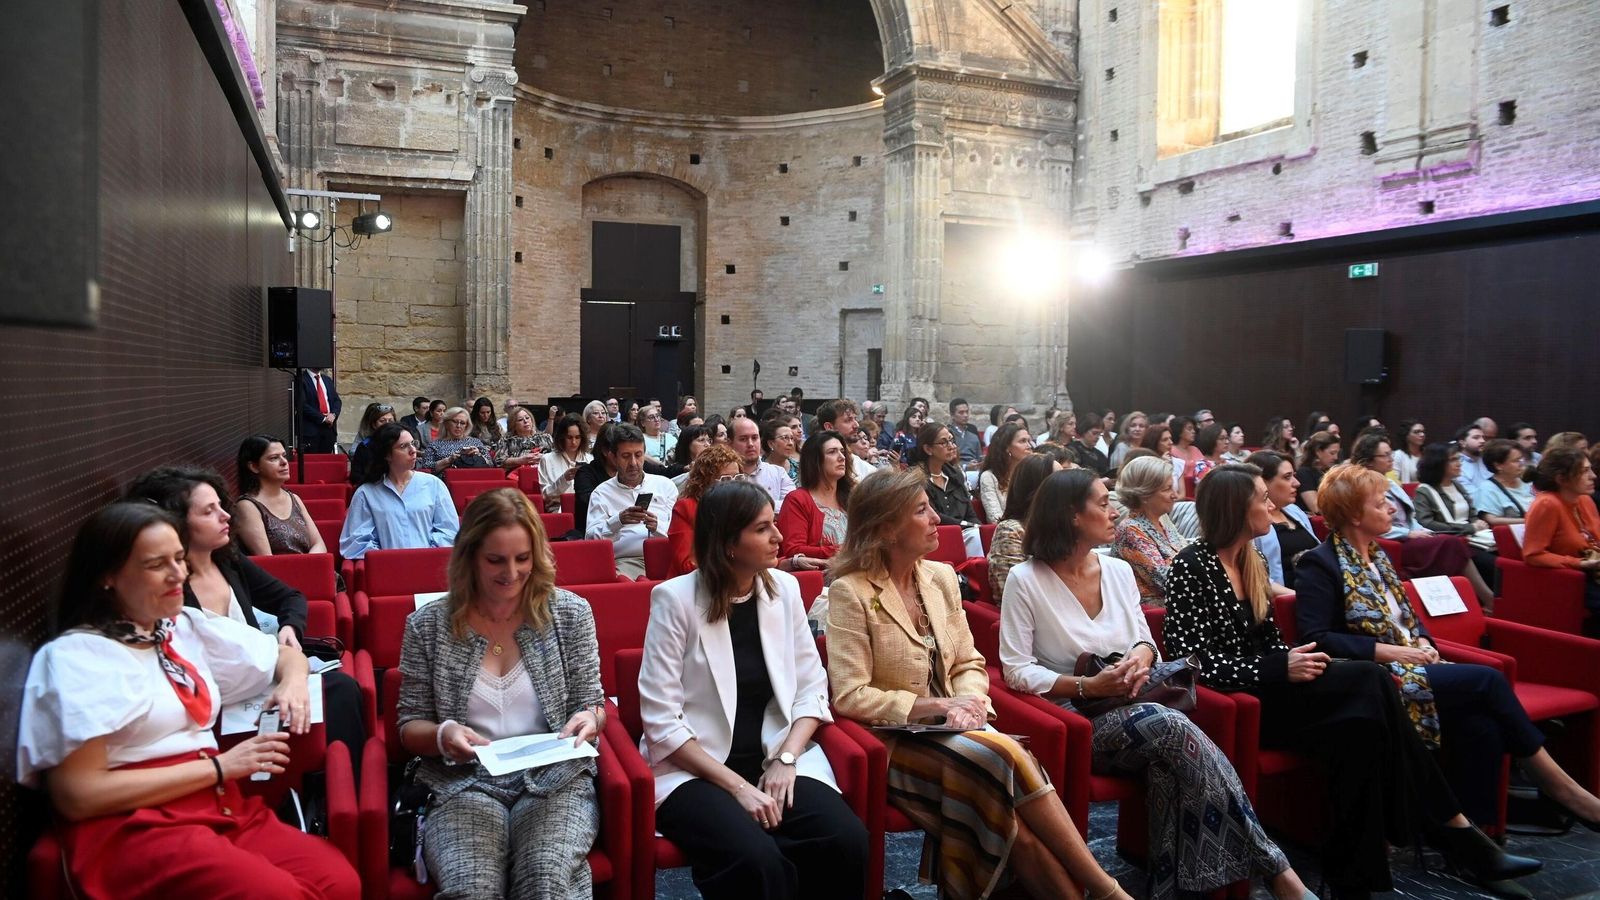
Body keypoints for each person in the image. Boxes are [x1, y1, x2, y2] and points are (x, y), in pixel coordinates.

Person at [1162, 464, 1542, 898]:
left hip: (1275, 691)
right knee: (1369, 679)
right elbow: (1189, 664)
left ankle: (1357, 881)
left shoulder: (1254, 559)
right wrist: (1278, 667)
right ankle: (1452, 828)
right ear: (1236, 508)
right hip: (1239, 705)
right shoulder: (1191, 566)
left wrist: (1291, 659)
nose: (1272, 505)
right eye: (1262, 498)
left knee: (1362, 731)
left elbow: (1268, 643)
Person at [16, 503, 359, 899]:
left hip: (218, 807)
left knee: (340, 882)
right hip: (133, 827)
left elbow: (287, 655)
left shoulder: (182, 626)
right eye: (156, 564)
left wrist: (293, 683)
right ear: (108, 576)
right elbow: (78, 795)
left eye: (179, 558)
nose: (179, 574)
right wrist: (220, 767)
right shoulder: (76, 657)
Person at [999, 469, 1312, 900]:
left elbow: (1145, 639)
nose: (1115, 512)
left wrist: (1143, 655)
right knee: (1172, 727)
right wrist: (1089, 687)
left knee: (1169, 767)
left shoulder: (1116, 570)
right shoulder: (1026, 579)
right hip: (1076, 715)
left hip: (1134, 699)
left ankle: (1167, 889)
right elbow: (1016, 670)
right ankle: (1277, 870)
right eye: (1104, 503)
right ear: (1072, 515)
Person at [826, 470, 1132, 900]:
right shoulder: (850, 591)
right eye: (921, 510)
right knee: (1009, 752)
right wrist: (937, 706)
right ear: (885, 528)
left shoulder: (940, 577)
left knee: (1012, 821)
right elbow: (851, 694)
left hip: (960, 730)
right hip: (895, 742)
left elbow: (970, 661)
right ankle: (1106, 889)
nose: (937, 517)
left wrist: (969, 701)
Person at [1300, 465, 1600, 830]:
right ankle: (1563, 789)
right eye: (1381, 504)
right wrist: (1396, 652)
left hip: (1414, 662)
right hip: (1376, 677)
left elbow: (1407, 618)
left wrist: (1423, 639)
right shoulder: (1320, 562)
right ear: (1353, 515)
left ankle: (1477, 837)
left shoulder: (1377, 556)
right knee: (1488, 682)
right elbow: (1317, 637)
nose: (1392, 509)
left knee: (1481, 725)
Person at [640, 481, 869, 899]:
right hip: (695, 770)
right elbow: (660, 722)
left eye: (774, 524)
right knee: (756, 861)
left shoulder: (784, 589)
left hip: (772, 754)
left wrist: (786, 758)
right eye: (763, 529)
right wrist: (738, 787)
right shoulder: (673, 599)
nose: (779, 537)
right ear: (729, 543)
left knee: (845, 839)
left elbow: (812, 685)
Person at [396, 489, 606, 897]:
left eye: (523, 558)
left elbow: (591, 700)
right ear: (470, 556)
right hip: (462, 782)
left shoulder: (570, 613)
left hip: (555, 779)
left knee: (546, 878)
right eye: (496, 560)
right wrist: (443, 736)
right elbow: (409, 726)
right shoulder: (428, 625)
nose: (511, 572)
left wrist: (590, 718)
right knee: (471, 888)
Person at [125, 467, 366, 756]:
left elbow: (290, 597)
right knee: (335, 694)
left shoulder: (228, 561)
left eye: (220, 506)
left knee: (342, 689)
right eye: (208, 511)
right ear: (174, 523)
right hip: (212, 699)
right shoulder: (166, 594)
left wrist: (289, 628)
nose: (226, 516)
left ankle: (337, 788)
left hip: (257, 677)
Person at [1348, 433, 1493, 605]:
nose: (1391, 458)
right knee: (1452, 544)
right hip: (1392, 543)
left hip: (1412, 538)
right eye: (1385, 455)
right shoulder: (1363, 487)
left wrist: (1422, 530)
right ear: (1369, 460)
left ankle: (1468, 603)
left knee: (1451, 544)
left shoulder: (1392, 484)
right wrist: (1408, 533)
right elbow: (1369, 524)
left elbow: (1412, 517)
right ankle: (1486, 600)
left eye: (1391, 453)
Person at [341, 424, 459, 559]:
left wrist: (426, 556)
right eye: (403, 446)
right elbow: (355, 541)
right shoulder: (366, 493)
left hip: (430, 564)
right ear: (387, 455)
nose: (413, 450)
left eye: (413, 443)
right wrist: (390, 559)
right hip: (388, 569)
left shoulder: (434, 484)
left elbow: (449, 531)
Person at [585, 424, 677, 577]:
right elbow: (591, 541)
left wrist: (658, 527)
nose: (634, 463)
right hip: (626, 561)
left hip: (666, 556)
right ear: (613, 457)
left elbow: (680, 533)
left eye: (638, 455)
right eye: (626, 456)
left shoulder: (665, 486)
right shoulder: (601, 493)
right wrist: (618, 521)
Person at [1522, 448, 1600, 622]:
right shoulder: (1547, 504)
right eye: (1585, 471)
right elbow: (1533, 555)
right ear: (1561, 479)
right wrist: (1580, 563)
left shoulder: (1585, 499)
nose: (1593, 476)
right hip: (1572, 578)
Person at [1111, 456, 1191, 606]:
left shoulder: (1163, 520)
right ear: (1144, 494)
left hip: (1180, 607)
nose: (1175, 495)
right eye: (1167, 489)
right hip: (1154, 616)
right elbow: (1166, 579)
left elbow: (1187, 560)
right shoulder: (1130, 529)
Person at [234, 435, 329, 556]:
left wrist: (309, 565)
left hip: (311, 568)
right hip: (279, 573)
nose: (284, 462)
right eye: (274, 458)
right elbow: (268, 561)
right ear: (254, 466)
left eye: (284, 456)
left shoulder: (294, 498)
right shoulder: (247, 506)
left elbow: (319, 544)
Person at [775, 430, 854, 571]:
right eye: (832, 452)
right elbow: (794, 550)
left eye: (842, 451)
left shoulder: (852, 497)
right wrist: (841, 550)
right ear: (815, 460)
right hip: (821, 578)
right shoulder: (798, 500)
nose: (842, 457)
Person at [987, 455, 1059, 603]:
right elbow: (1011, 594)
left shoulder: (1062, 525)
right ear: (1039, 488)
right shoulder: (1010, 531)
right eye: (1059, 479)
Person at [1413, 443, 1498, 563]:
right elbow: (1427, 523)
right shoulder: (1424, 491)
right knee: (1493, 564)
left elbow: (1471, 514)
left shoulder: (1457, 485)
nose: (1459, 463)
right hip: (1452, 543)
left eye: (1459, 458)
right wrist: (1469, 527)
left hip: (1473, 538)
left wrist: (1477, 521)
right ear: (1438, 463)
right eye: (1453, 460)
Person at [666, 444, 742, 577]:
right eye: (725, 479)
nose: (733, 485)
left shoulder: (744, 507)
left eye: (737, 478)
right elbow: (687, 565)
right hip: (695, 584)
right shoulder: (686, 508)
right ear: (704, 482)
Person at [1247, 450, 1316, 590]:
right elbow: (1256, 579)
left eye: (1294, 476)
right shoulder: (1251, 522)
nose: (1296, 483)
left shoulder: (1295, 511)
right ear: (1262, 483)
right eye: (1287, 477)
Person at [913, 422, 984, 557]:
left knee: (984, 535)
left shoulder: (955, 475)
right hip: (937, 536)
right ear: (928, 449)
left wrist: (977, 526)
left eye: (951, 440)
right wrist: (969, 526)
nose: (952, 446)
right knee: (976, 535)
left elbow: (970, 512)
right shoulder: (918, 478)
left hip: (965, 532)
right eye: (944, 442)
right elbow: (935, 516)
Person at [731, 416, 795, 511]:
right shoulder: (725, 475)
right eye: (743, 439)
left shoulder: (778, 473)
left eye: (754, 438)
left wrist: (751, 505)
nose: (751, 444)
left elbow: (793, 505)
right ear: (729, 443)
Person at [978, 422, 1032, 523]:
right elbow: (995, 518)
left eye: (1029, 441)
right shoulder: (989, 477)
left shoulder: (1030, 474)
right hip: (1007, 532)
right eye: (1022, 441)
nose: (1029, 446)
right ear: (1007, 447)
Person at [1473, 439, 1534, 525]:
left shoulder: (1528, 481)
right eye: (1516, 461)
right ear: (1498, 465)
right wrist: (1530, 521)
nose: (1521, 463)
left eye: (1521, 459)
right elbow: (1492, 520)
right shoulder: (1487, 489)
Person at [537, 414, 590, 512]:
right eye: (569, 437)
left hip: (586, 508)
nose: (574, 442)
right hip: (558, 508)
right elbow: (545, 495)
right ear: (562, 437)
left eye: (577, 437)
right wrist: (564, 479)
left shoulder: (589, 459)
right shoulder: (547, 459)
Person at [817, 398, 878, 483]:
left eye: (855, 419)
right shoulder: (815, 462)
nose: (856, 425)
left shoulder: (867, 470)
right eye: (848, 420)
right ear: (829, 427)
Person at [420, 407, 496, 473]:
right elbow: (426, 468)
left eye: (462, 423)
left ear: (467, 426)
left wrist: (479, 455)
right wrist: (448, 460)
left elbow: (491, 465)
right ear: (446, 423)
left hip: (474, 479)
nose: (458, 426)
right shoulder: (435, 445)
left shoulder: (476, 442)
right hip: (445, 482)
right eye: (455, 422)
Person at [348, 402, 398, 485]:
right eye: (382, 421)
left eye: (390, 420)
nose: (387, 424)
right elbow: (355, 476)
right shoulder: (365, 446)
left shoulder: (402, 444)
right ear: (374, 425)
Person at [298, 367, 342, 454]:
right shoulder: (301, 380)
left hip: (329, 430)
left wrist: (333, 414)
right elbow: (302, 405)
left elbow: (337, 401)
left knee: (326, 463)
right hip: (311, 431)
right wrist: (323, 418)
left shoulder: (327, 380)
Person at [1295, 431, 1340, 514]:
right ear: (1318, 452)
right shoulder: (1304, 473)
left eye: (1337, 453)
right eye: (1332, 453)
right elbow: (1316, 507)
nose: (1336, 457)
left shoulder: (1330, 471)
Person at [497, 405, 551, 474]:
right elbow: (499, 461)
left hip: (545, 473)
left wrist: (544, 457)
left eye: (527, 418)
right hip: (519, 475)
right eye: (520, 420)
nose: (525, 421)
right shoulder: (506, 440)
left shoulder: (546, 437)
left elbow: (557, 456)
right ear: (513, 424)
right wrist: (521, 460)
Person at [669, 423, 714, 489]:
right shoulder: (677, 470)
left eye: (709, 440)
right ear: (687, 444)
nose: (707, 444)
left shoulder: (714, 466)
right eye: (701, 440)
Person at [1454, 424, 1492, 494]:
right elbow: (1472, 496)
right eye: (1476, 438)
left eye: (1483, 437)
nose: (1482, 441)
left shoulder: (1488, 459)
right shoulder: (1457, 464)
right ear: (1462, 443)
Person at [760, 417, 799, 484]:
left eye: (792, 438)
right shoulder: (760, 470)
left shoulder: (799, 469)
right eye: (785, 438)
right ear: (771, 444)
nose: (791, 443)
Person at [949, 398, 983, 470]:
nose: (965, 415)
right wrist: (965, 467)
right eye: (961, 412)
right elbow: (946, 461)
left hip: (974, 470)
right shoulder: (948, 434)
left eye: (967, 412)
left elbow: (979, 457)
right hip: (955, 470)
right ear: (952, 415)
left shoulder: (973, 436)